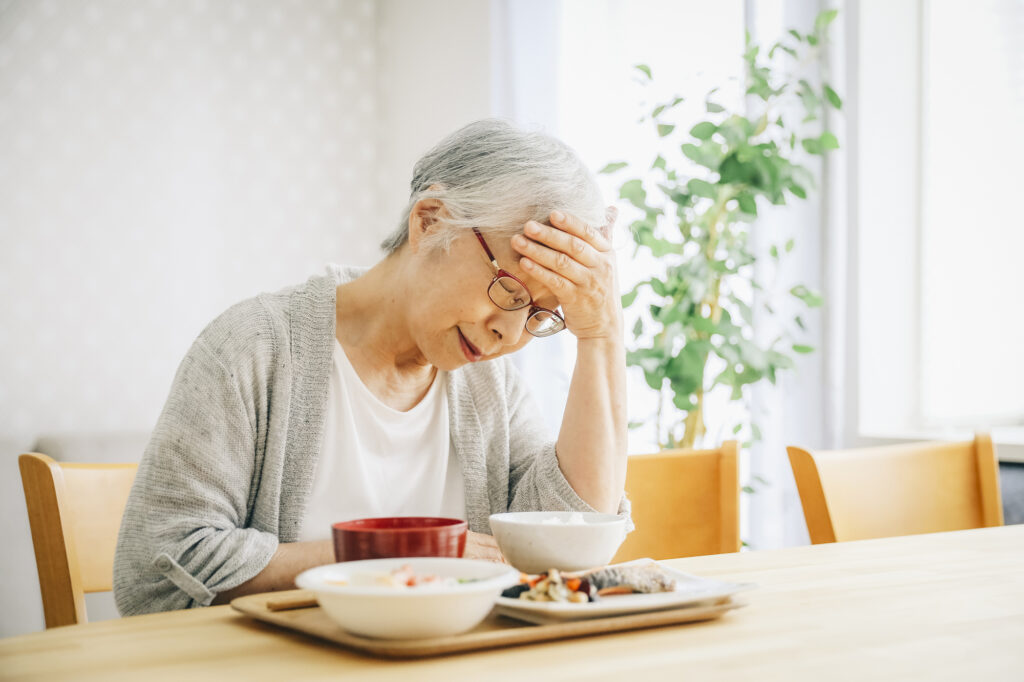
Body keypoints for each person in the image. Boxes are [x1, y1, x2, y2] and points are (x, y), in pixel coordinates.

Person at [113, 119, 630, 615]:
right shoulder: (253, 348)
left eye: (540, 315)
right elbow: (157, 575)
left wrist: (601, 334)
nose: (510, 336)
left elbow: (569, 548)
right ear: (429, 222)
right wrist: (396, 556)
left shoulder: (490, 386)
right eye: (509, 291)